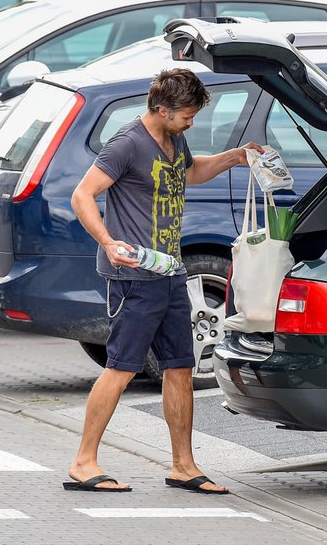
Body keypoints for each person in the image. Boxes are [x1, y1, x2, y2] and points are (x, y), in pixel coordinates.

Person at [67, 68, 263, 494]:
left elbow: (189, 173)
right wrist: (108, 241)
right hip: (133, 275)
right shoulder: (127, 144)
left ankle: (183, 466)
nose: (190, 122)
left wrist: (235, 156)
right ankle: (83, 462)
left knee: (180, 367)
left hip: (171, 271)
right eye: (186, 116)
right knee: (121, 368)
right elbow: (82, 195)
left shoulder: (174, 139)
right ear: (160, 109)